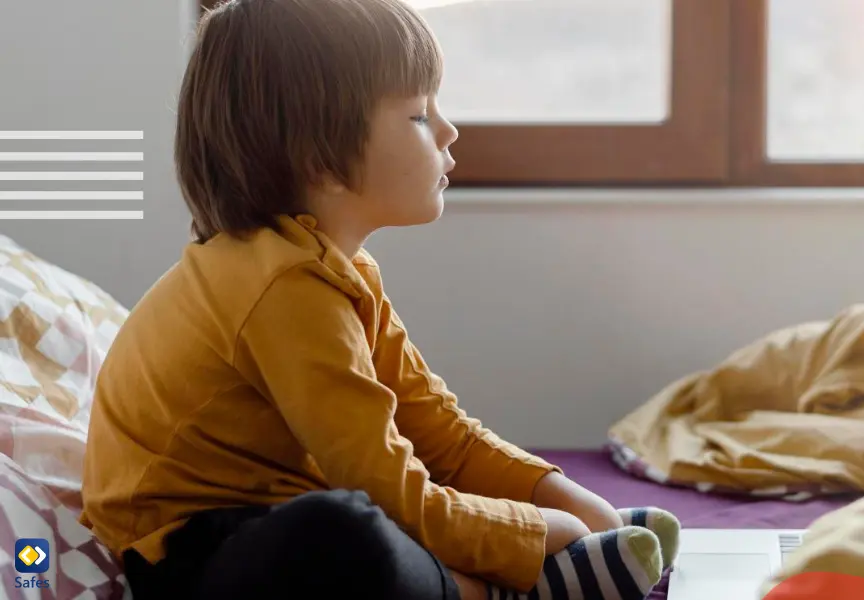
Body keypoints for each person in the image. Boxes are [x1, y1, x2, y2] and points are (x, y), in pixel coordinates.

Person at [77, 1, 680, 598]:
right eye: (419, 115)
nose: (449, 131)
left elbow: (436, 431)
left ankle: (508, 574)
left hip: (271, 507)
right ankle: (487, 590)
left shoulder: (337, 270)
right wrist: (536, 537)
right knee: (343, 531)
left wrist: (564, 499)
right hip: (189, 553)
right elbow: (387, 486)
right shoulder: (280, 286)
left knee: (365, 516)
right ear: (320, 158)